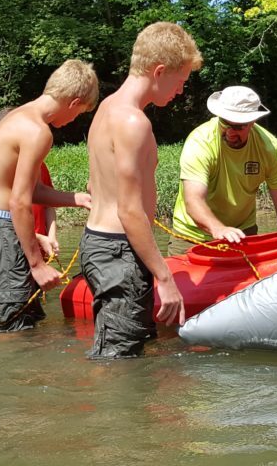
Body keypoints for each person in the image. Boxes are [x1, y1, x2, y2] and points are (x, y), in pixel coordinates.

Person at [81, 21, 202, 359]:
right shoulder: (134, 122)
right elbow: (129, 210)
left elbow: (95, 183)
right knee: (117, 362)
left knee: (125, 351)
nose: (180, 92)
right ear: (159, 71)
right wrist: (164, 277)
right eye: (180, 82)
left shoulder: (107, 109)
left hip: (101, 244)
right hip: (119, 250)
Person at [0, 59, 98, 332]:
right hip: (0, 228)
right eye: (80, 113)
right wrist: (36, 264)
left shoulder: (17, 117)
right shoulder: (38, 131)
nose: (74, 120)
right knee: (15, 322)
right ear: (74, 102)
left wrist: (77, 198)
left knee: (26, 317)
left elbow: (31, 191)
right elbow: (19, 202)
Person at [167, 85, 277, 256]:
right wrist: (218, 229)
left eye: (238, 127)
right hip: (191, 237)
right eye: (224, 123)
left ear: (252, 123)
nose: (230, 132)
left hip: (242, 235)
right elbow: (193, 200)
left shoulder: (269, 148)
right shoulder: (200, 142)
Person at [0, 107, 58, 258]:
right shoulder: (1, 170)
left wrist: (51, 236)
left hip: (40, 246)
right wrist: (36, 237)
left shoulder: (40, 166)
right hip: (13, 246)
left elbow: (48, 206)